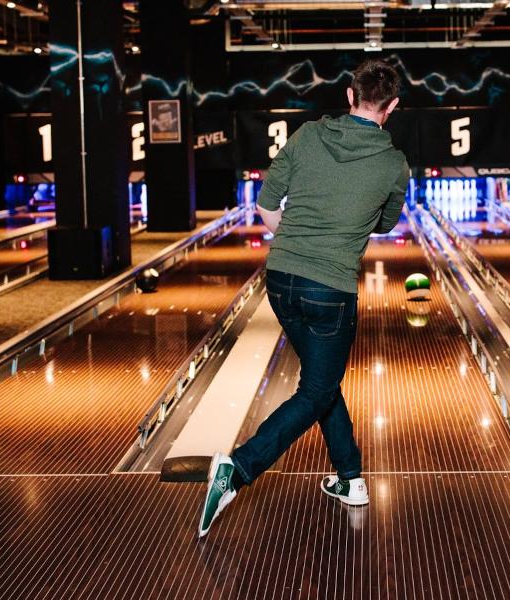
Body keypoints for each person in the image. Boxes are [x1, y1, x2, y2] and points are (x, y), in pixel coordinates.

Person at [198, 59, 409, 537]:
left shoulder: (307, 136)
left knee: (321, 381)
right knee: (315, 390)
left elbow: (267, 207)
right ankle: (239, 469)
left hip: (280, 279)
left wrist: (293, 243)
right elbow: (385, 223)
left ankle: (350, 477)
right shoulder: (394, 163)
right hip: (331, 288)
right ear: (392, 106)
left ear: (349, 97)